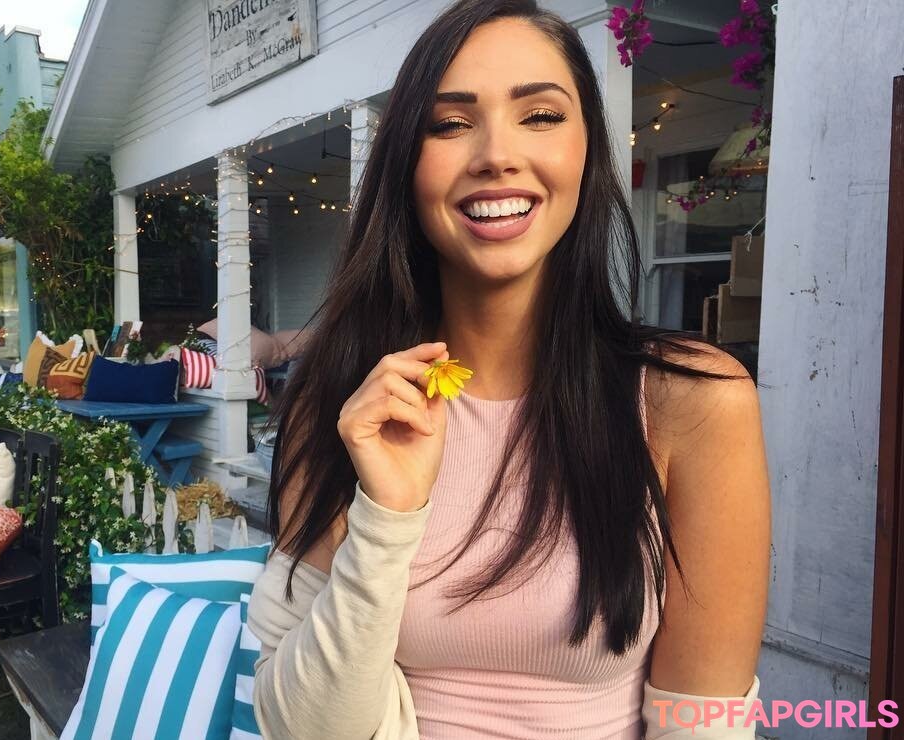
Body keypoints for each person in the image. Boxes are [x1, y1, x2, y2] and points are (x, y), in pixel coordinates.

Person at [246, 1, 771, 738]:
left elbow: (704, 723)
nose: (496, 154)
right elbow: (306, 730)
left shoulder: (690, 400)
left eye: (541, 116)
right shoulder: (343, 406)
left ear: (587, 151)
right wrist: (386, 518)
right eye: (450, 124)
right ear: (407, 166)